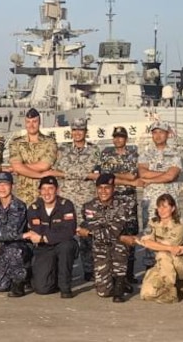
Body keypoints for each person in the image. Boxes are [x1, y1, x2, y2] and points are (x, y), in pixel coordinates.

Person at [51, 117, 99, 282]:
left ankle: (88, 269)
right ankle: (66, 271)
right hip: (67, 201)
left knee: (87, 237)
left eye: (81, 130)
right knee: (65, 237)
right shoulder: (62, 150)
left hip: (87, 199)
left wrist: (70, 174)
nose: (77, 133)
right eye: (75, 130)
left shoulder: (95, 151)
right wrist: (84, 175)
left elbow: (98, 175)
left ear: (86, 132)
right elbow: (54, 172)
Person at [97, 125, 142, 286]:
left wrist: (115, 176)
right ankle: (113, 274)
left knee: (130, 236)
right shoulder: (106, 154)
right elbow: (105, 176)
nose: (118, 139)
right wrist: (126, 178)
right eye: (115, 137)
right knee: (113, 234)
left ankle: (128, 275)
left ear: (126, 139)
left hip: (129, 201)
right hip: (112, 200)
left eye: (121, 137)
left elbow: (134, 174)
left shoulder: (133, 154)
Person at [77, 173, 131, 302]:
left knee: (120, 244)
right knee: (103, 293)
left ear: (113, 189)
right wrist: (93, 232)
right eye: (100, 188)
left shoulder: (123, 206)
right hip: (100, 248)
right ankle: (111, 280)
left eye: (107, 188)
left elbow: (114, 231)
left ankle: (120, 283)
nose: (103, 191)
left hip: (117, 245)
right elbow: (91, 226)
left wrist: (89, 233)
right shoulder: (89, 207)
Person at [134, 194, 183, 304]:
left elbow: (170, 249)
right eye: (159, 207)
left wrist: (155, 244)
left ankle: (171, 291)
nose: (161, 210)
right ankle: (179, 289)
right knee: (146, 294)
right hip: (163, 264)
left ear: (172, 208)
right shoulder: (153, 222)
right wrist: (164, 246)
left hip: (182, 263)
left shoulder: (179, 224)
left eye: (165, 207)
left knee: (163, 253)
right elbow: (144, 240)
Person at [137, 120, 182, 270]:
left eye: (161, 132)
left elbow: (171, 176)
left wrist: (151, 178)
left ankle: (171, 268)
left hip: (170, 203)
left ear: (167, 134)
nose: (157, 135)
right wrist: (164, 174)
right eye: (155, 132)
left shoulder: (175, 153)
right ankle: (150, 270)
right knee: (149, 234)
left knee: (172, 235)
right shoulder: (145, 153)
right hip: (150, 202)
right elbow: (142, 173)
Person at [24, 176, 77, 298]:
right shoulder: (34, 208)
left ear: (57, 190)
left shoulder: (66, 205)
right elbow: (37, 230)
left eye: (51, 189)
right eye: (44, 189)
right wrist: (55, 233)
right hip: (44, 248)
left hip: (61, 244)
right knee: (42, 289)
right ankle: (50, 275)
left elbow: (69, 231)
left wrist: (44, 237)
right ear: (39, 191)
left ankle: (65, 287)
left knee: (67, 245)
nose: (47, 193)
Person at [0, 171, 30, 297]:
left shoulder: (19, 206)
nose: (2, 188)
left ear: (12, 186)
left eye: (6, 184)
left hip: (18, 247)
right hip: (1, 247)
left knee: (13, 249)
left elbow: (12, 232)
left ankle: (19, 282)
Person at [9, 108, 58, 205]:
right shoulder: (16, 143)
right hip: (23, 196)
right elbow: (16, 166)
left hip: (44, 196)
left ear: (39, 122)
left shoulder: (50, 142)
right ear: (25, 123)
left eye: (34, 121)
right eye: (28, 122)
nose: (31, 125)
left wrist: (20, 168)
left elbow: (44, 166)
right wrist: (40, 175)